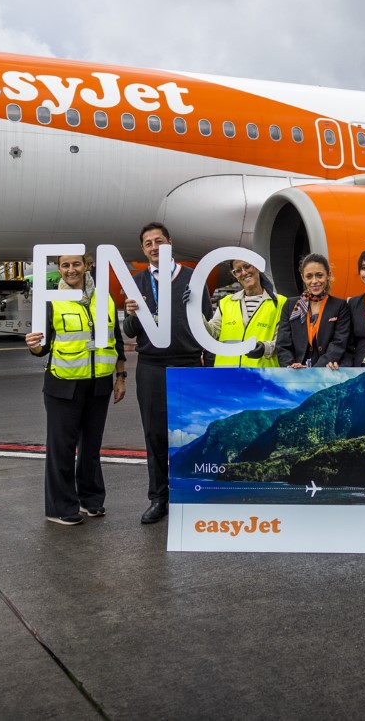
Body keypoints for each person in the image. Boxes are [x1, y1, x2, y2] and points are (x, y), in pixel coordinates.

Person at [25, 253, 126, 525]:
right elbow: (42, 347)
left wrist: (121, 377)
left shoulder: (105, 298)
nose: (71, 270)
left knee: (91, 447)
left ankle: (90, 499)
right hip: (63, 384)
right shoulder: (51, 301)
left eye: (76, 264)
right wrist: (33, 346)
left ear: (87, 265)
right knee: (62, 448)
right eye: (65, 265)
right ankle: (60, 508)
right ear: (59, 269)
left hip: (99, 383)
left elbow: (116, 340)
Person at [122, 222, 213, 525]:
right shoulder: (137, 282)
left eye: (158, 241)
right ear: (143, 249)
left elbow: (209, 325)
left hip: (188, 363)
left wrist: (209, 368)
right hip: (151, 366)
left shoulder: (192, 278)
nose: (154, 247)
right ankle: (159, 497)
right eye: (148, 243)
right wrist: (133, 314)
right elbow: (129, 331)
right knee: (155, 434)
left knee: (194, 432)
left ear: (169, 243)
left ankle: (195, 493)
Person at [276, 253, 352, 369]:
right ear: (303, 277)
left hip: (324, 371)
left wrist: (315, 370)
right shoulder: (290, 306)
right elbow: (283, 344)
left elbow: (339, 343)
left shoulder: (340, 306)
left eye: (319, 275)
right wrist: (290, 366)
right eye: (309, 276)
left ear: (328, 275)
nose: (314, 281)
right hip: (296, 372)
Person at [206, 258, 281, 367]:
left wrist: (265, 348)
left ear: (257, 267)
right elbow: (212, 332)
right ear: (235, 275)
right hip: (226, 373)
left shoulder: (280, 303)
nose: (244, 273)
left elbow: (284, 342)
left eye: (247, 266)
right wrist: (193, 311)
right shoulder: (226, 302)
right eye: (238, 270)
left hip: (262, 374)